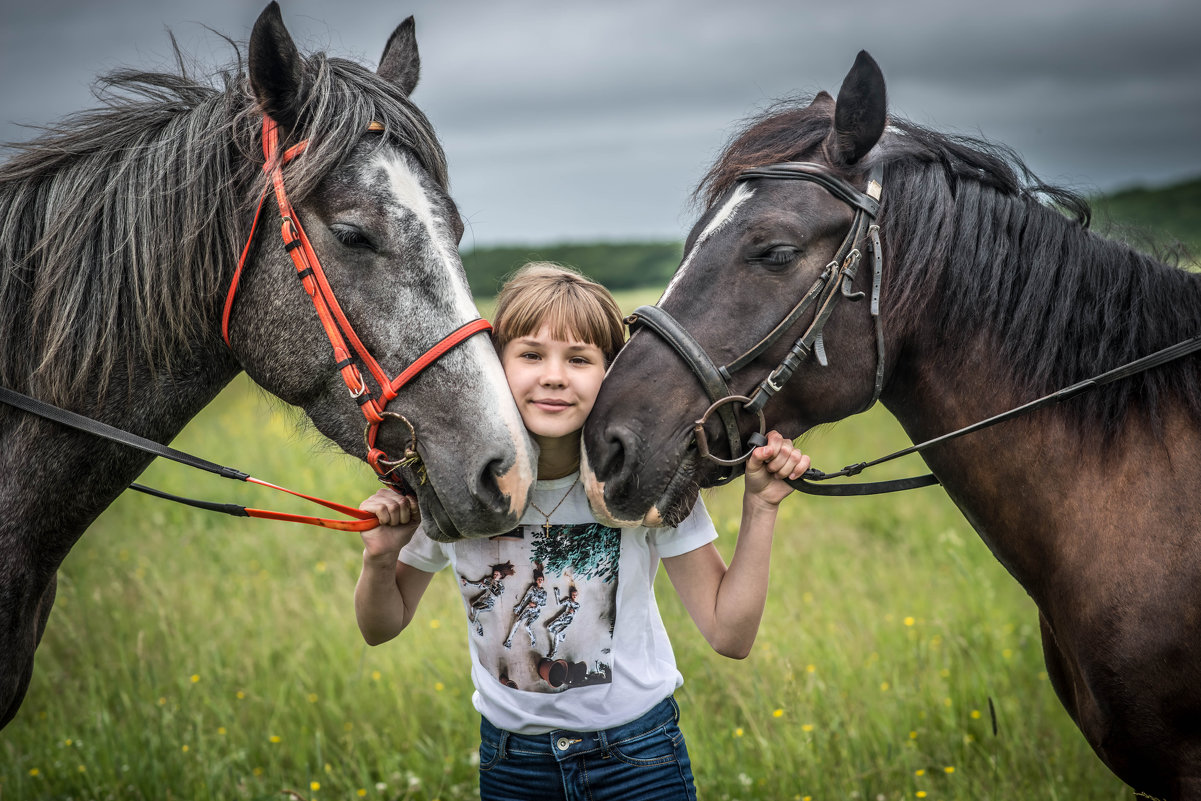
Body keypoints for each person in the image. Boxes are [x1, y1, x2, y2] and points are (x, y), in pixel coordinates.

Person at [354, 263, 809, 801]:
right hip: (512, 766)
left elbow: (729, 636)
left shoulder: (640, 483)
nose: (553, 376)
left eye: (579, 359)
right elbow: (380, 627)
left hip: (637, 759)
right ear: (494, 368)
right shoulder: (459, 487)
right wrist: (381, 560)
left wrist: (761, 506)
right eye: (530, 354)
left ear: (611, 375)